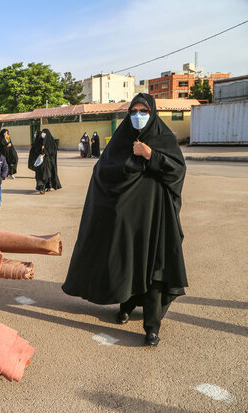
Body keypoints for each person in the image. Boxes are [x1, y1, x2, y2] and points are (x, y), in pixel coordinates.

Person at [62, 93, 188, 347]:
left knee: (153, 268)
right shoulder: (120, 139)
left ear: (152, 113)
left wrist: (151, 155)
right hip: (127, 221)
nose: (138, 116)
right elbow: (102, 172)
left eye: (143, 111)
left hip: (154, 219)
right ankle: (126, 305)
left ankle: (152, 326)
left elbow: (177, 170)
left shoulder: (163, 139)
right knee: (128, 262)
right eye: (133, 111)